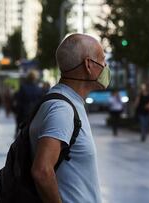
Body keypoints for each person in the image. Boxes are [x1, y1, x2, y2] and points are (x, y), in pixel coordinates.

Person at [28, 34, 107, 203]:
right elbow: (42, 171)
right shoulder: (62, 109)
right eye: (102, 59)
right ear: (88, 64)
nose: (105, 66)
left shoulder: (67, 102)